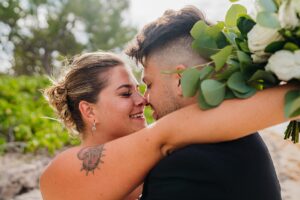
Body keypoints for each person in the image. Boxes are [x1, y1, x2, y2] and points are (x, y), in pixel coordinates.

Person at [40, 51, 296, 200]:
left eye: (141, 89)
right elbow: (174, 130)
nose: (143, 100)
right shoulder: (61, 172)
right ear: (89, 110)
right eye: (125, 93)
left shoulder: (160, 165)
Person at [125, 6, 287, 200]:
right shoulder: (245, 140)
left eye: (149, 84)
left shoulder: (184, 166)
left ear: (181, 80)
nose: (145, 99)